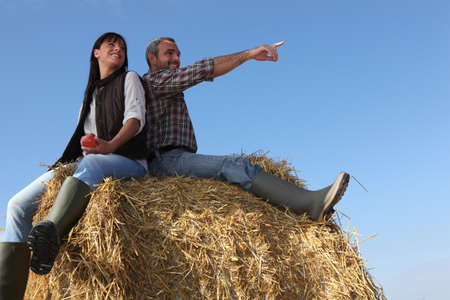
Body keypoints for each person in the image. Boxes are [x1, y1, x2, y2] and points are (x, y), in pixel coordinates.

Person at [0, 32, 147, 299]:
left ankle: (50, 235)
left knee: (91, 163)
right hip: (90, 162)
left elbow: (135, 121)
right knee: (16, 206)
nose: (118, 48)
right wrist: (90, 148)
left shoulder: (131, 79)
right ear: (96, 53)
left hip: (129, 162)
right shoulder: (88, 98)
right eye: (111, 44)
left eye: (123, 46)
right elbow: (83, 146)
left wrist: (108, 146)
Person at [142, 37, 349, 223]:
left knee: (232, 170)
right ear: (152, 59)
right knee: (234, 166)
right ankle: (310, 204)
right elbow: (201, 70)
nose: (176, 59)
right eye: (169, 53)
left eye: (178, 54)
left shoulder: (166, 85)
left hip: (176, 158)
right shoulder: (155, 82)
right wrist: (249, 54)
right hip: (166, 161)